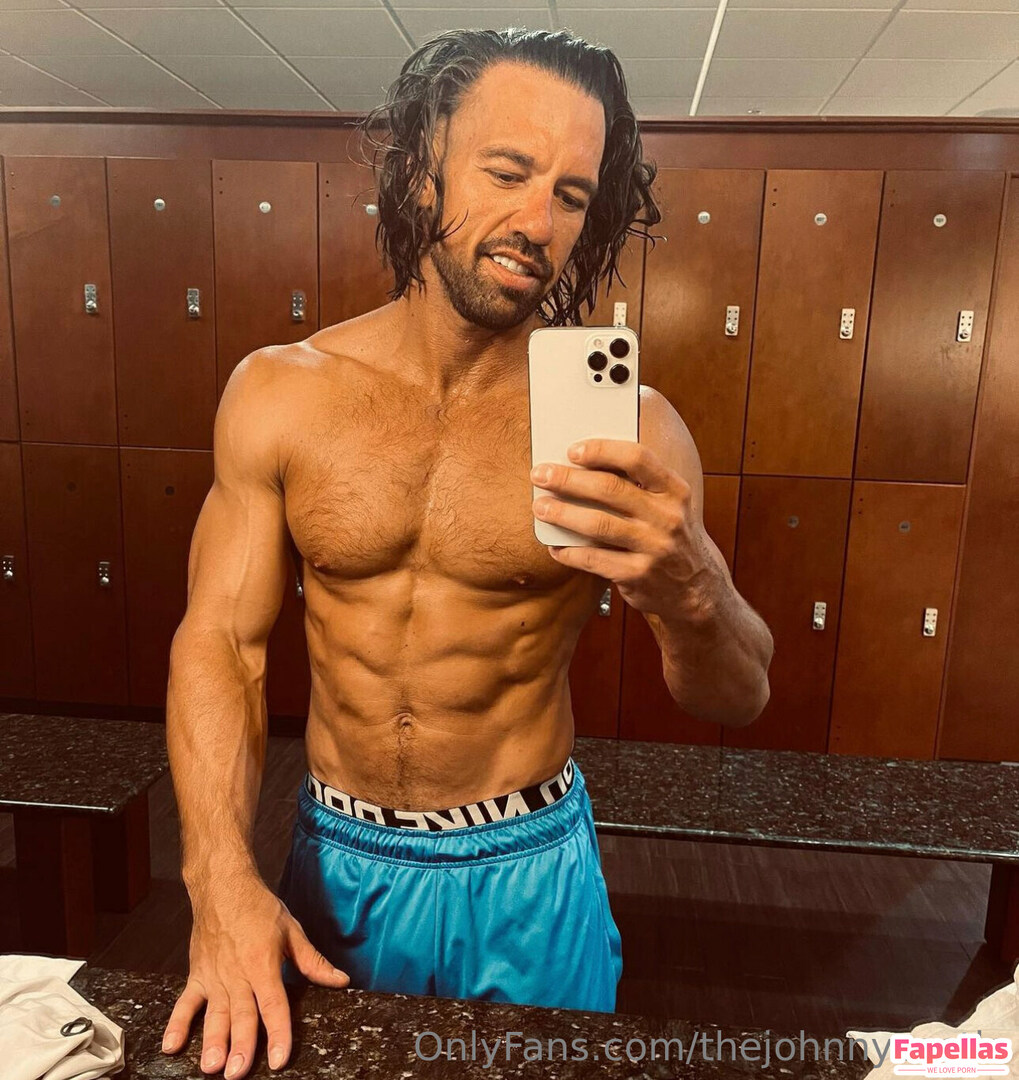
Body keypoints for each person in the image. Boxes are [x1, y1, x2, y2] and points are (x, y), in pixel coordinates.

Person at [160, 26, 774, 1079]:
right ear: (420, 170)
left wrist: (692, 587)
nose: (537, 223)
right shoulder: (280, 394)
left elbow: (737, 695)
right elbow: (221, 644)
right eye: (507, 172)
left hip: (527, 867)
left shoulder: (632, 428)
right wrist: (218, 879)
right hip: (338, 860)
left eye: (572, 196)